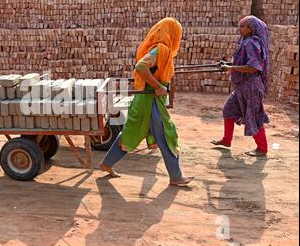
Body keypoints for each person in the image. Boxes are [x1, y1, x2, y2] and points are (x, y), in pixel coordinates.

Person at [99, 17, 194, 186]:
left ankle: (107, 164)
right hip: (150, 102)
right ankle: (176, 176)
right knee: (166, 134)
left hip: (145, 101)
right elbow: (141, 67)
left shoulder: (158, 50)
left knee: (130, 133)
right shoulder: (160, 49)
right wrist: (158, 85)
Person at [211, 16, 270, 157]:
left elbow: (253, 67)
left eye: (242, 26)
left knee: (254, 116)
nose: (240, 29)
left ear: (251, 29)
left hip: (251, 87)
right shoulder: (244, 41)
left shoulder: (251, 44)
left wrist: (231, 68)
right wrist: (228, 65)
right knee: (228, 110)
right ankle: (226, 140)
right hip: (241, 86)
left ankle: (262, 148)